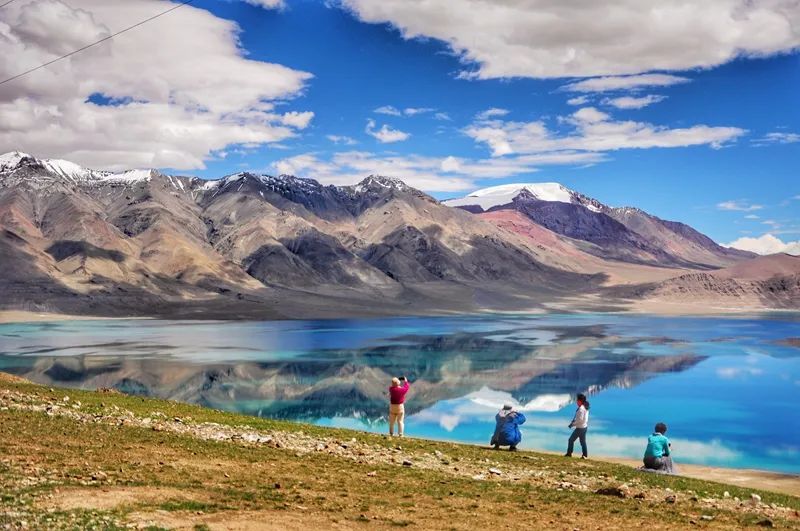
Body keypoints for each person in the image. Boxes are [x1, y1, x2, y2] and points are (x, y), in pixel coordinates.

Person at [564, 393, 590, 459]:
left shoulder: (581, 409)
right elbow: (583, 419)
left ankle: (569, 453)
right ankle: (585, 455)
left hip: (580, 428)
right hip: (584, 427)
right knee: (583, 442)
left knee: (571, 440)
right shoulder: (585, 406)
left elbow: (580, 420)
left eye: (577, 400)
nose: (576, 402)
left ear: (580, 401)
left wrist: (572, 424)